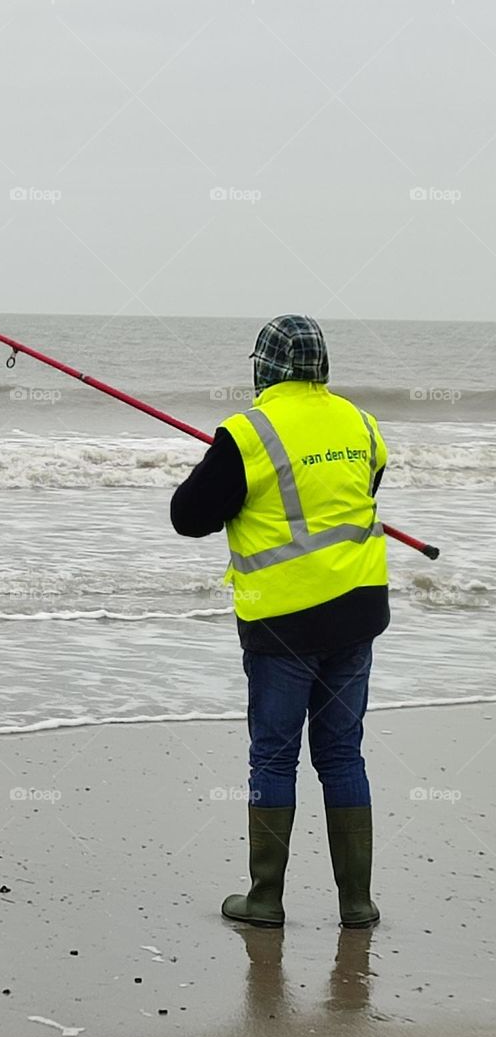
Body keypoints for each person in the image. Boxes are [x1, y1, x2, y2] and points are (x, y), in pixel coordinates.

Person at [170, 315, 388, 929]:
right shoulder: (360, 422)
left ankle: (265, 898)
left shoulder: (247, 433)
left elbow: (189, 516)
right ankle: (356, 903)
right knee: (343, 755)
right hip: (357, 611)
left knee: (273, 757)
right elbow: (365, 484)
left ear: (264, 367)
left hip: (284, 624)